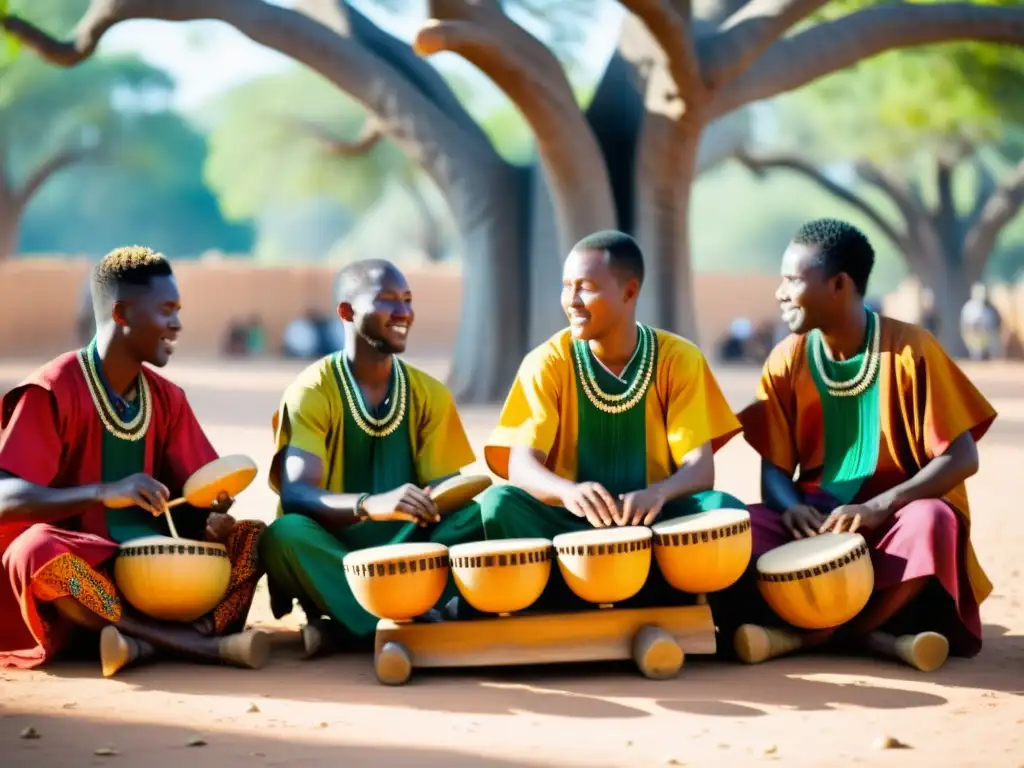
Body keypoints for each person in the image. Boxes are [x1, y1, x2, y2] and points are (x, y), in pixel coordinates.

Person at [732, 218, 996, 672]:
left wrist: (881, 506)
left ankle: (814, 637)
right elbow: (773, 470)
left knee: (933, 521)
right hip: (816, 520)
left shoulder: (911, 350)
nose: (779, 292)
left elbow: (962, 455)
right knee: (734, 532)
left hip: (895, 519)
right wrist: (790, 505)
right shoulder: (785, 359)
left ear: (838, 284)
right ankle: (873, 637)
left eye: (792, 279)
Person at [0, 246, 268, 677]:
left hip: (159, 575)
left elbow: (195, 497)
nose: (177, 324)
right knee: (33, 551)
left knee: (251, 539)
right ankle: (196, 644)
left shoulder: (166, 399)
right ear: (122, 313)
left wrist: (212, 518)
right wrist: (106, 492)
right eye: (166, 311)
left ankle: (139, 644)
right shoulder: (53, 388)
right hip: (84, 582)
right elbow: (4, 496)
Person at [477, 230, 747, 612]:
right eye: (566, 286)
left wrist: (659, 493)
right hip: (570, 529)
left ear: (629, 292)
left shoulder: (678, 359)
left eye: (585, 288)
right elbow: (521, 465)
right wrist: (568, 492)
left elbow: (701, 470)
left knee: (724, 508)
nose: (571, 301)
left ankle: (630, 597)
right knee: (498, 504)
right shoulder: (548, 362)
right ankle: (589, 596)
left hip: (654, 526)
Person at [258, 259, 486, 658]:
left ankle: (350, 631)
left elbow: (446, 496)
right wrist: (370, 505)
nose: (404, 312)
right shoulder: (313, 389)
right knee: (284, 535)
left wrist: (441, 496)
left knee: (484, 515)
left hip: (411, 551)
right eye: (387, 300)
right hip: (337, 552)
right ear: (346, 312)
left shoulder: (429, 393)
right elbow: (296, 494)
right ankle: (411, 626)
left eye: (408, 300)